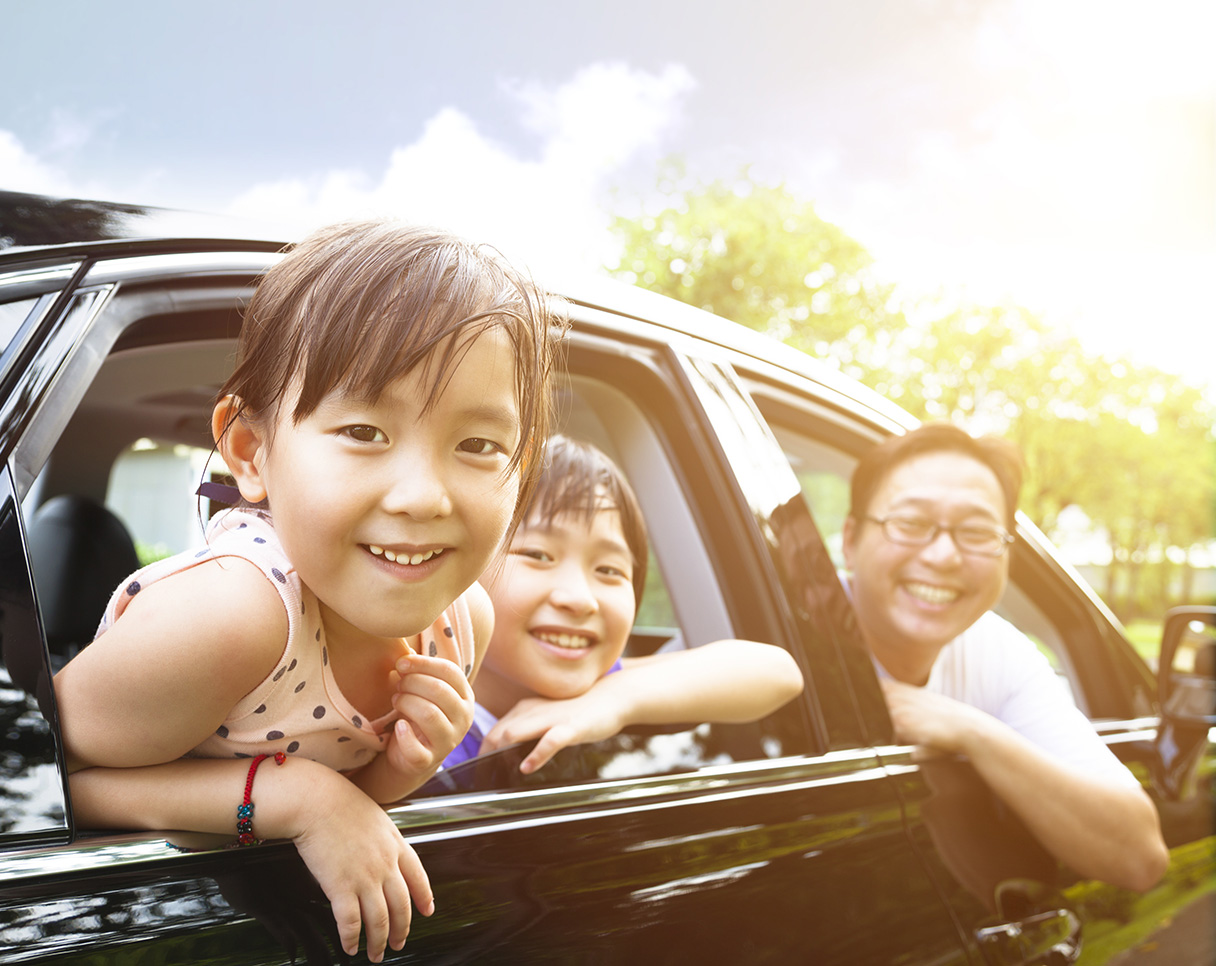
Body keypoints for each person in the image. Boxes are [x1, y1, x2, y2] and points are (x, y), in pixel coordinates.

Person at [52, 219, 563, 962]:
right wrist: (298, 798)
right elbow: (51, 780)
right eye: (364, 431)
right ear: (252, 451)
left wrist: (399, 767)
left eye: (479, 446)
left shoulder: (460, 619)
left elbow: (357, 798)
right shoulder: (232, 617)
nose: (423, 496)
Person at [840, 422, 1169, 891]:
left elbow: (1139, 858)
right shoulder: (782, 636)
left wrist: (973, 732)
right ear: (850, 540)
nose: (942, 555)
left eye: (976, 532)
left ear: (1007, 554)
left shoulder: (998, 651)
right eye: (911, 524)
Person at [444, 435, 805, 774]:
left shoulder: (602, 686)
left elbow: (779, 672)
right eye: (538, 554)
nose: (580, 598)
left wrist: (616, 700)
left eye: (608, 570)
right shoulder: (416, 728)